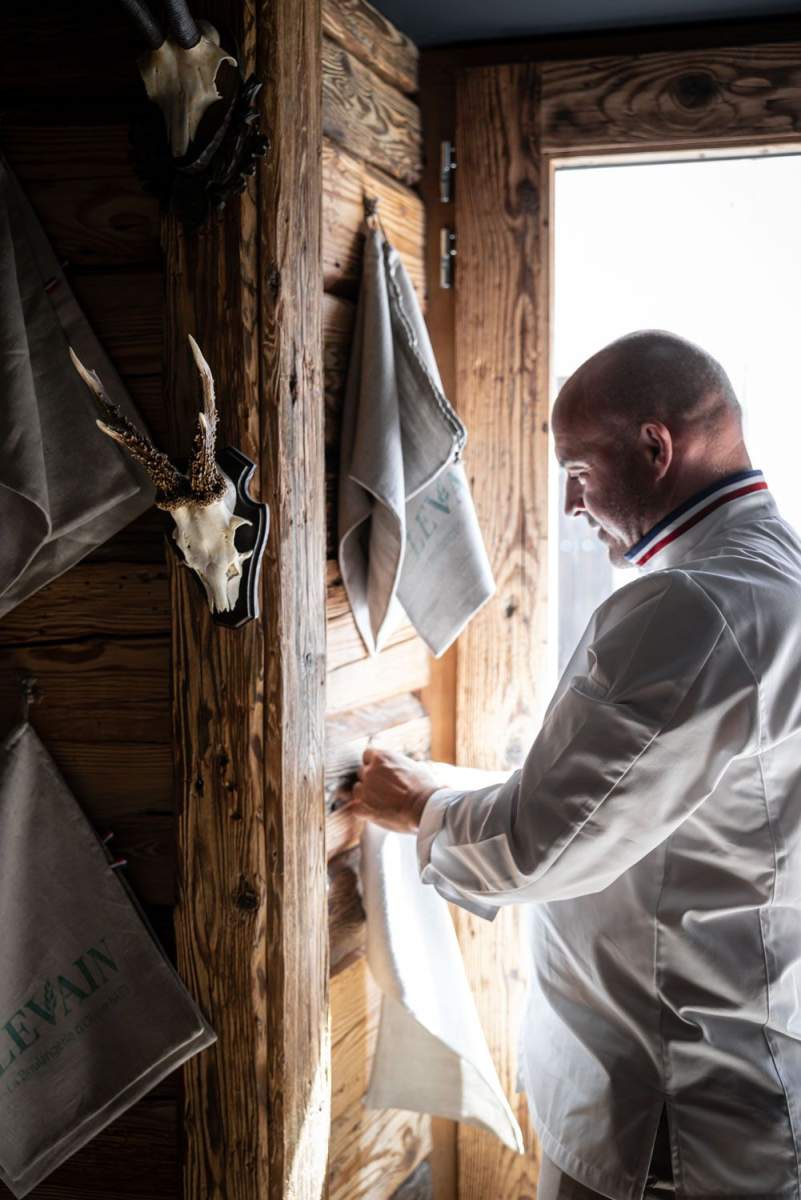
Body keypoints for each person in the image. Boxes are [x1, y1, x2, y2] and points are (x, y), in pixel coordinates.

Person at [345, 330, 801, 1200]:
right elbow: (655, 816)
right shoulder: (768, 581)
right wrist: (457, 789)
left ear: (655, 448)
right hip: (723, 1067)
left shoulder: (693, 610)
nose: (567, 506)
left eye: (578, 473)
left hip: (669, 1111)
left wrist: (418, 809)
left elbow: (544, 846)